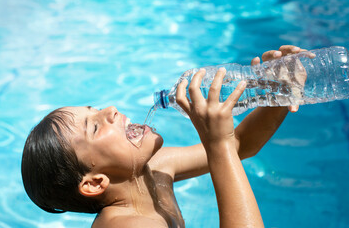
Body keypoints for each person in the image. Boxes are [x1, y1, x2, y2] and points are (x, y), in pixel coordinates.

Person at [22, 45, 305, 228]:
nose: (110, 110)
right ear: (96, 182)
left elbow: (242, 145)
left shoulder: (155, 167)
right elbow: (226, 148)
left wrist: (280, 91)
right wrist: (217, 143)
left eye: (94, 109)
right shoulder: (122, 226)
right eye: (94, 126)